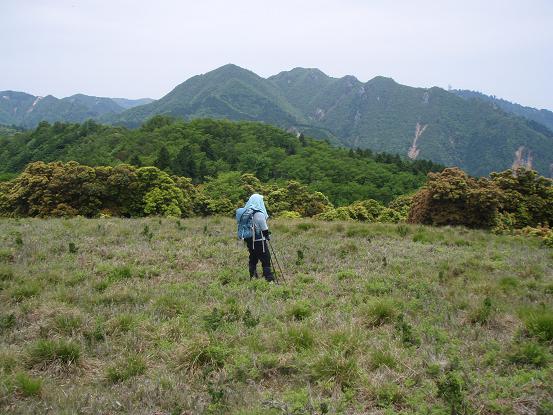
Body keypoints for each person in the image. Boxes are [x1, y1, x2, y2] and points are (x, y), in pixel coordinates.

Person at [238, 193, 274, 282]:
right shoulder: (259, 213)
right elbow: (264, 228)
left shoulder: (246, 212)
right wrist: (267, 236)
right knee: (266, 258)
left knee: (253, 257)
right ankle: (269, 279)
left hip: (249, 239)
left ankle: (253, 277)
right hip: (259, 240)